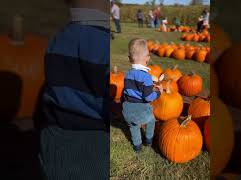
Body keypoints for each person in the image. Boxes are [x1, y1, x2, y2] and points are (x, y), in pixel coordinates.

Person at [36, 0, 109, 179]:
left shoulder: (57, 38)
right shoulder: (101, 41)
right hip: (92, 146)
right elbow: (107, 98)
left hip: (54, 142)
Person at [121, 38, 163, 153]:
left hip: (127, 110)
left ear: (130, 59)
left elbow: (127, 91)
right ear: (148, 58)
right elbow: (148, 97)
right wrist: (158, 93)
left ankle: (137, 146)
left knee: (133, 126)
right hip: (141, 110)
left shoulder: (127, 74)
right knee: (151, 120)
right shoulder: (146, 78)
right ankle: (148, 140)